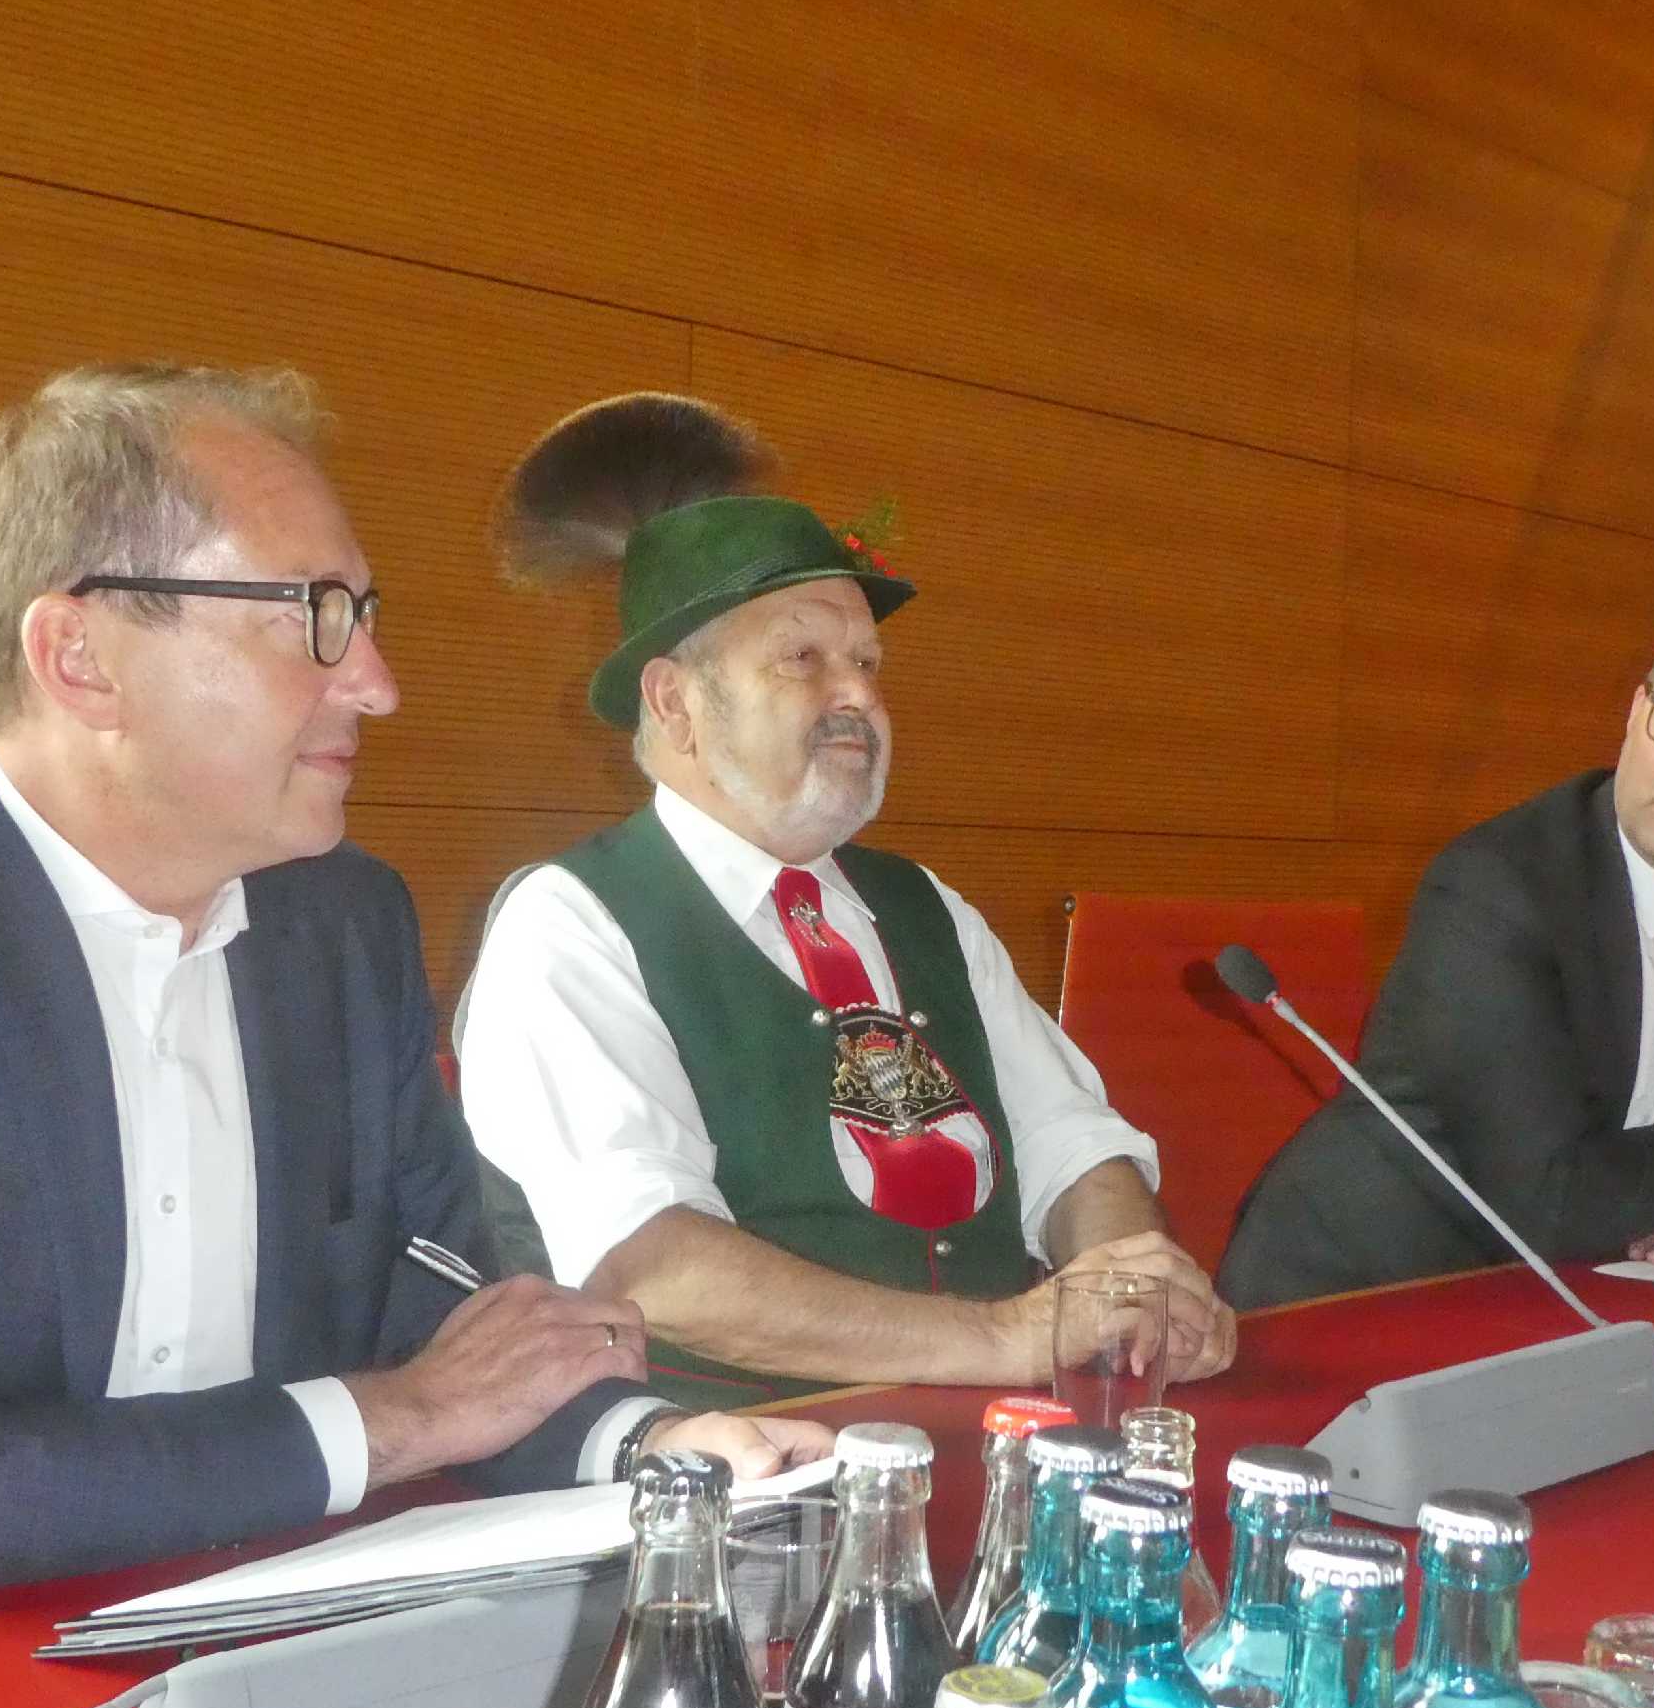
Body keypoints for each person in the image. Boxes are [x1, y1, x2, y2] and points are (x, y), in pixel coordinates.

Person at [0, 365, 826, 1617]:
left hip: (228, 1627)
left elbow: (434, 1310)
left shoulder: (340, 921)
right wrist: (402, 1418)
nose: (375, 682)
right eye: (313, 614)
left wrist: (650, 1449)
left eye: (365, 614)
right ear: (81, 658)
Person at [455, 394, 1233, 1405]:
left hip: (996, 1436)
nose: (858, 695)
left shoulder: (925, 907)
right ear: (674, 702)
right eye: (802, 659)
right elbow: (652, 1267)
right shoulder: (569, 926)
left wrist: (1134, 1289)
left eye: (867, 662)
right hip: (746, 1458)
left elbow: (1073, 1147)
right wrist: (1006, 1336)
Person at [1219, 604, 1654, 1307]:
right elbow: (1545, 1196)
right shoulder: (1499, 886)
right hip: (1380, 1287)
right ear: (1636, 712)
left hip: (1613, 1287)